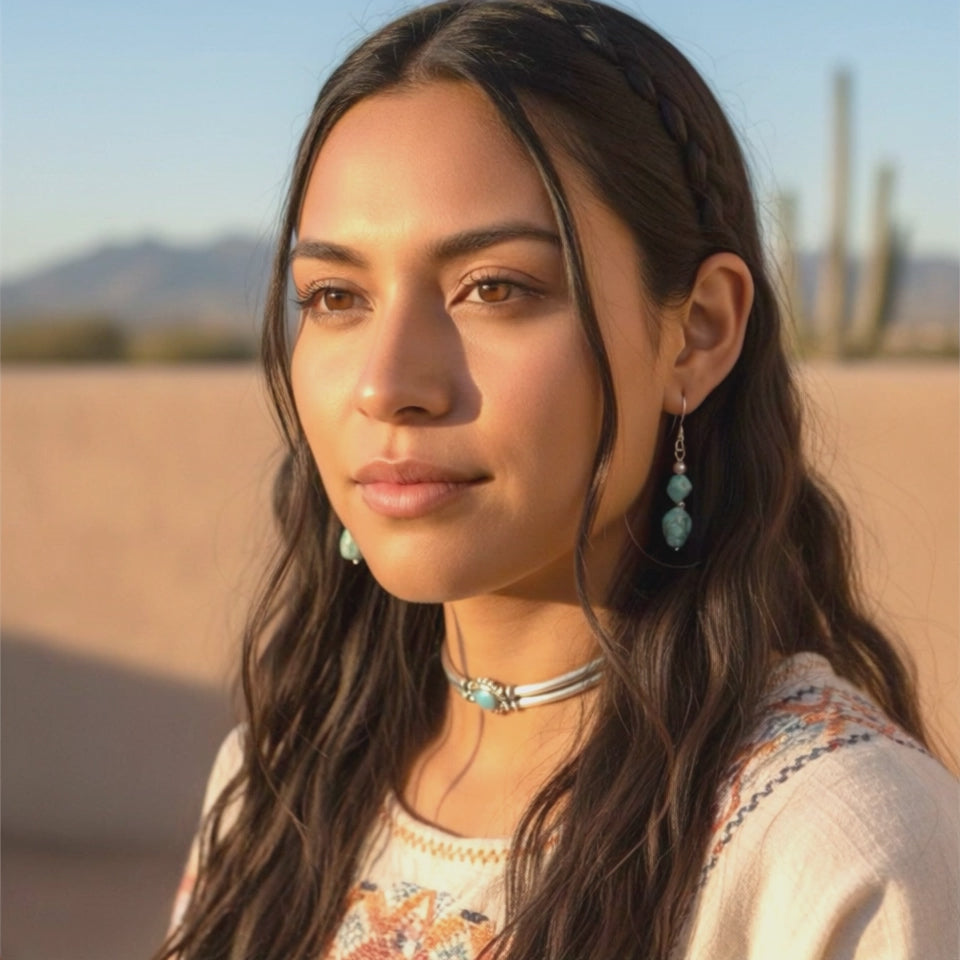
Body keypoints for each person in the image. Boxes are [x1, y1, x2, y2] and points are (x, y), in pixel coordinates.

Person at [155, 1, 959, 957]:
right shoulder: (278, 785)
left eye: (496, 287)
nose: (386, 384)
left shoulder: (832, 843)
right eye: (335, 297)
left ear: (698, 332)